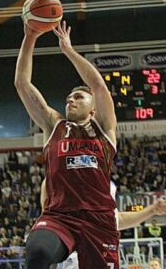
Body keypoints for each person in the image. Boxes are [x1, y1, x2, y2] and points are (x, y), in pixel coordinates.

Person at [16, 20, 119, 269]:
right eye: (68, 98)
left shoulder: (104, 128)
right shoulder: (54, 126)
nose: (71, 100)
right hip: (60, 217)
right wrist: (30, 37)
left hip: (99, 221)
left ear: (93, 107)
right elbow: (22, 83)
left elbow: (98, 85)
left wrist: (68, 51)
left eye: (78, 97)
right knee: (38, 252)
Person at [43, 180, 166, 268]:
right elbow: (47, 210)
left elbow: (116, 220)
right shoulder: (62, 181)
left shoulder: (107, 186)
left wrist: (151, 210)